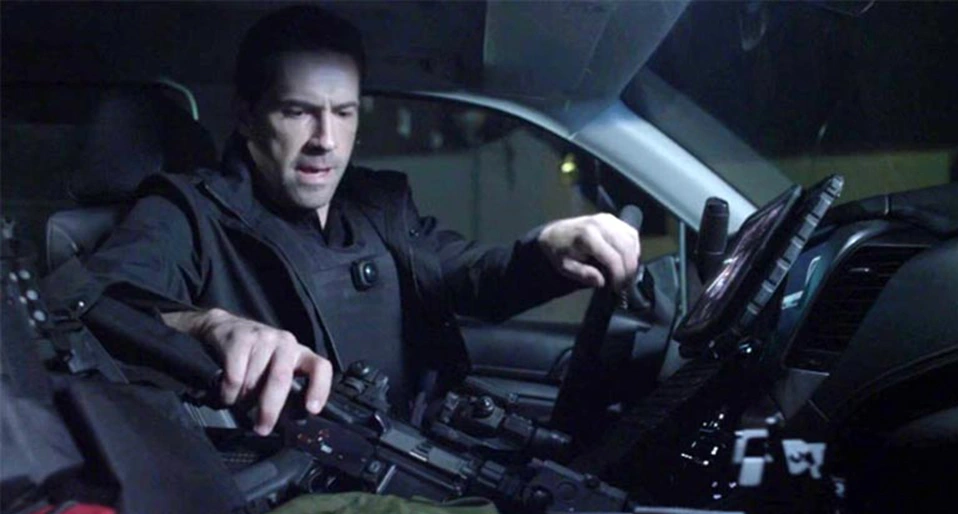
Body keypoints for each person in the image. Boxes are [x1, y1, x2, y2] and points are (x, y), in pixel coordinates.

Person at [84, 5, 640, 436]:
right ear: (248, 117)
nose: (325, 140)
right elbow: (95, 305)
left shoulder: (380, 203)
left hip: (427, 456)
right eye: (298, 112)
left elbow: (471, 276)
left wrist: (547, 249)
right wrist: (207, 326)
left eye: (343, 113)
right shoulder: (188, 210)